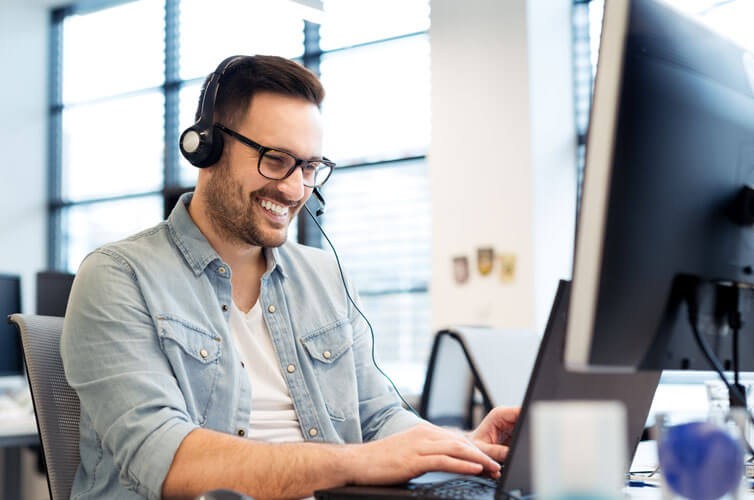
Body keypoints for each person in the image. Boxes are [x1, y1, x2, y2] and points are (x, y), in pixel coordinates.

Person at [61, 54, 519, 500]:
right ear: (208, 147)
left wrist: (457, 448)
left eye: (311, 167)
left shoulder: (322, 276)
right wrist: (359, 462)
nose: (297, 188)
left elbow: (378, 416)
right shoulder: (119, 277)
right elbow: (167, 461)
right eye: (276, 159)